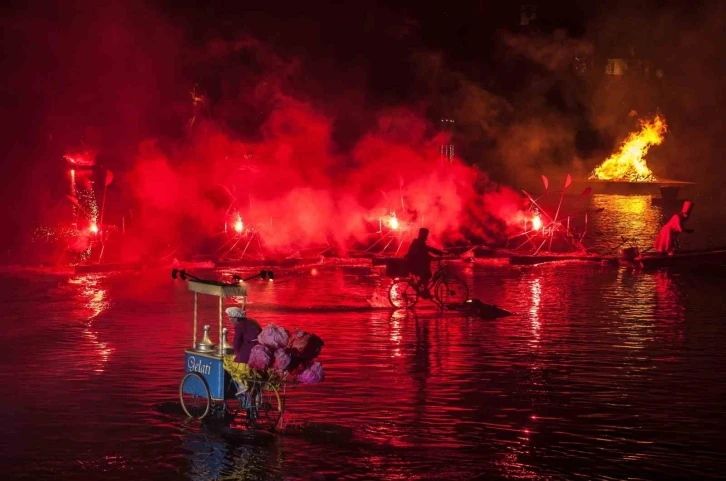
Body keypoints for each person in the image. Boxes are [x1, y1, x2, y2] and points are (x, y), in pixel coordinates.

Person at [222, 306, 262, 395]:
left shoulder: (239, 326)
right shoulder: (253, 322)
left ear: (236, 318)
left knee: (227, 363)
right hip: (259, 353)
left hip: (247, 355)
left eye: (231, 318)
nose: (230, 320)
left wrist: (236, 353)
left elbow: (236, 344)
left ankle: (241, 385)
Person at [404, 227, 444, 295]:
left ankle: (425, 291)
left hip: (415, 264)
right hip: (413, 265)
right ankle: (417, 286)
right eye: (426, 234)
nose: (426, 236)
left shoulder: (418, 242)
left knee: (426, 273)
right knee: (427, 275)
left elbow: (426, 250)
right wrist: (437, 255)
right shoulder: (419, 243)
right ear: (423, 235)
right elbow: (425, 251)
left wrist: (438, 253)